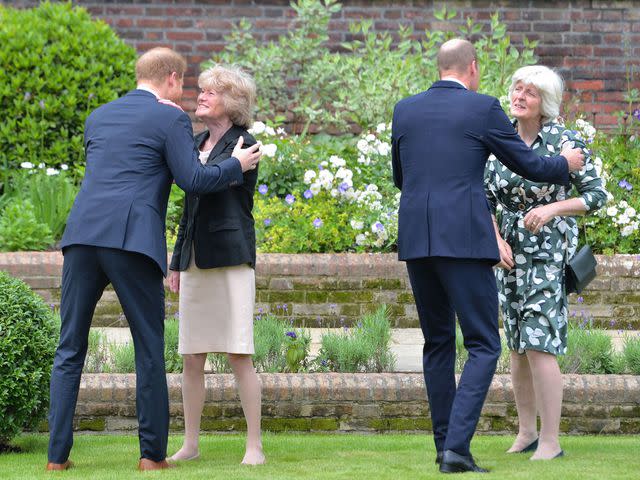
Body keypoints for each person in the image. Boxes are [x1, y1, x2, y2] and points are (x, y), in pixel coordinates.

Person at [47, 48, 262, 472]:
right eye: (184, 86)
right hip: (132, 240)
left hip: (81, 236)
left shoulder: (99, 116)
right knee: (148, 347)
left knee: (69, 348)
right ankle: (151, 457)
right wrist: (235, 164)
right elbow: (193, 179)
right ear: (172, 79)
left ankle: (56, 458)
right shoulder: (171, 119)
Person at [391, 39, 586, 474]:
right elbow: (528, 164)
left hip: (418, 241)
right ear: (472, 68)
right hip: (463, 241)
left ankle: (444, 445)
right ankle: (457, 449)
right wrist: (565, 163)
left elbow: (400, 176)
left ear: (439, 67)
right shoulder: (482, 108)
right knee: (483, 343)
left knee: (437, 343)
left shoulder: (405, 109)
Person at [484, 65, 607, 460]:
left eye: (530, 93)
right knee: (517, 346)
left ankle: (551, 440)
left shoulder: (563, 140)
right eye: (516, 88)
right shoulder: (498, 136)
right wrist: (495, 238)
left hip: (547, 252)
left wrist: (553, 208)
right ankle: (526, 433)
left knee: (540, 344)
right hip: (509, 255)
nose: (519, 96)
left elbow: (596, 196)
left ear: (545, 104)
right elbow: (482, 196)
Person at [167, 65, 265, 465]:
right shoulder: (195, 142)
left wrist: (226, 165)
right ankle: (190, 444)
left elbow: (203, 181)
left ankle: (254, 445)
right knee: (192, 355)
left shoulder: (248, 145)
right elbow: (188, 209)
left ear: (234, 102)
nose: (201, 96)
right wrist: (175, 263)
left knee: (239, 353)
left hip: (230, 259)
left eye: (212, 92)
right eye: (202, 90)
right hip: (194, 261)